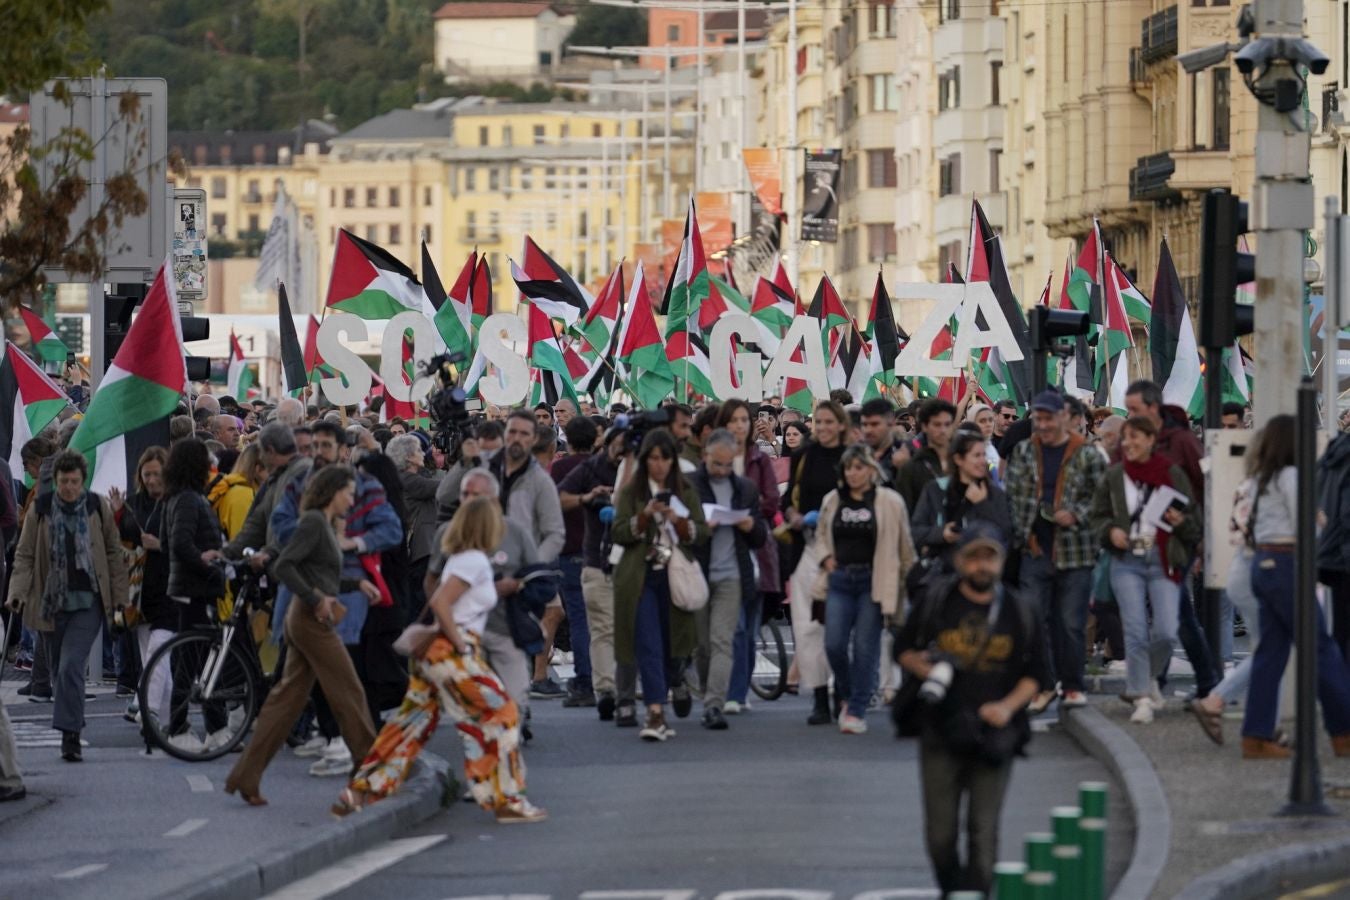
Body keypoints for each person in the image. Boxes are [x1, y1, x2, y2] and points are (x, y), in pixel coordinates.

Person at [335, 496, 546, 824]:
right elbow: (443, 604)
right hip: (452, 650)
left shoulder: (462, 559)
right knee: (502, 712)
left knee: (411, 724)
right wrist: (462, 646)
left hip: (437, 652)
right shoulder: (474, 560)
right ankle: (506, 797)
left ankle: (360, 792)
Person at [897, 523, 1049, 896]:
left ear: (1001, 561)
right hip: (940, 730)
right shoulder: (935, 601)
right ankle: (953, 892)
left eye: (990, 557)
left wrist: (1006, 707)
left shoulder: (1020, 610)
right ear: (960, 560)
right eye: (974, 557)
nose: (982, 565)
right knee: (940, 835)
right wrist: (927, 669)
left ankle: (978, 893)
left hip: (994, 736)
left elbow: (1038, 675)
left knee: (984, 832)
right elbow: (901, 650)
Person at [225, 466, 381, 805]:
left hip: (305, 617)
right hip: (310, 620)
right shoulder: (313, 522)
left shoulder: (321, 523)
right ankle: (372, 771)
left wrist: (356, 585)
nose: (352, 500)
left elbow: (318, 573)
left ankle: (246, 776)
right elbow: (284, 567)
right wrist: (316, 599)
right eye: (349, 493)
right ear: (333, 491)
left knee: (285, 702)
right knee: (349, 691)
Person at [1239, 415, 1350, 759]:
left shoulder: (1261, 477)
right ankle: (1343, 731)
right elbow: (1306, 524)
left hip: (1264, 563)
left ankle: (1255, 735)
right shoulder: (1292, 477)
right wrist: (1317, 519)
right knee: (1322, 649)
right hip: (1288, 563)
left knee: (1271, 653)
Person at [5, 450, 128, 762]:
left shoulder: (95, 506)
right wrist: (17, 592)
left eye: (74, 481)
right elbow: (25, 555)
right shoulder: (41, 508)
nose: (69, 487)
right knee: (60, 672)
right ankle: (72, 720)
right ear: (55, 481)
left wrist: (119, 599)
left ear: (83, 481)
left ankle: (69, 735)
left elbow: (113, 554)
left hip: (88, 600)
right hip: (49, 602)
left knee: (72, 664)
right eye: (63, 481)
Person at [1089, 416, 1201, 724]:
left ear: (1151, 440)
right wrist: (1110, 531)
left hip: (1163, 558)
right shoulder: (1114, 475)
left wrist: (1181, 524)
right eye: (1126, 438)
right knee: (1136, 630)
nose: (1129, 444)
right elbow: (1096, 516)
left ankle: (1149, 677)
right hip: (1126, 561)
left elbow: (1194, 523)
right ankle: (1140, 696)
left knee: (1166, 630)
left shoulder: (1171, 474)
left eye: (1136, 438)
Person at [1005, 390, 1105, 710]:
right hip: (1035, 549)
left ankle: (1073, 685)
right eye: (1039, 419)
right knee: (1034, 621)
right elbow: (1013, 495)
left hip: (1075, 551)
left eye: (1049, 418)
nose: (1044, 425)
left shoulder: (1086, 454)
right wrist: (1020, 533)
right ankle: (1044, 685)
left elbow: (1102, 499)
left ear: (1063, 417)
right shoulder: (1023, 451)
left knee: (1070, 623)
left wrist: (1076, 513)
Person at [611, 429, 709, 741]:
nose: (659, 465)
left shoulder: (685, 489)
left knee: (674, 646)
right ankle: (655, 712)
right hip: (641, 577)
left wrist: (676, 519)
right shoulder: (632, 492)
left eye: (665, 458)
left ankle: (674, 683)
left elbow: (701, 532)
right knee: (647, 643)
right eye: (653, 458)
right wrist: (645, 516)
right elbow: (618, 531)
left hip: (675, 576)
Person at [1124, 380, 1219, 700]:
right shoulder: (1137, 440)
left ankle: (1172, 681)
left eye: (1135, 409)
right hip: (1146, 537)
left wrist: (1204, 533)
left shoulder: (1183, 442)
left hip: (1179, 538)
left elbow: (1209, 483)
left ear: (1154, 408)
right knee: (1172, 613)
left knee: (1175, 611)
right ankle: (1176, 680)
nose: (1130, 416)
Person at [815, 445, 917, 733]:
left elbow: (904, 544)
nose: (853, 473)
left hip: (874, 581)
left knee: (865, 647)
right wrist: (825, 557)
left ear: (871, 470)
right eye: (848, 468)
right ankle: (847, 693)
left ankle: (856, 709)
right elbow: (821, 534)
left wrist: (910, 580)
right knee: (833, 644)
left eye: (858, 467)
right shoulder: (833, 500)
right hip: (840, 579)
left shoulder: (889, 501)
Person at [688, 430, 768, 730]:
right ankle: (710, 689)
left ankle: (714, 704)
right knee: (702, 646)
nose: (721, 470)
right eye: (716, 464)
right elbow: (679, 531)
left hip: (732, 574)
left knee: (723, 640)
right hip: (698, 572)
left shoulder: (745, 488)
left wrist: (749, 525)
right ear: (704, 456)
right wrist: (700, 528)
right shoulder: (689, 486)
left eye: (726, 464)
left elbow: (760, 536)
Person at [558, 424, 631, 721]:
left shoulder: (646, 469)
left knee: (630, 628)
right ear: (605, 443)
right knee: (600, 627)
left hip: (635, 559)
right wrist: (588, 498)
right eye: (618, 446)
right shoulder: (590, 468)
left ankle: (631, 686)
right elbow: (560, 497)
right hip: (594, 558)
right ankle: (606, 689)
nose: (622, 453)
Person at [782, 400, 849, 724]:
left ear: (840, 425)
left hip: (845, 551)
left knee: (839, 626)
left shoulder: (852, 458)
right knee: (807, 627)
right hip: (807, 548)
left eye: (828, 422)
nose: (822, 427)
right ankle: (820, 697)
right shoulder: (802, 457)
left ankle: (843, 693)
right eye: (818, 422)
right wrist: (794, 517)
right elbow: (787, 501)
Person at [713, 399, 780, 712]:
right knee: (733, 626)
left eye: (744, 420)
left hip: (754, 544)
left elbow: (771, 500)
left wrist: (746, 515)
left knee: (748, 627)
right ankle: (730, 690)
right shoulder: (714, 457)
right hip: (721, 545)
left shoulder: (759, 459)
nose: (740, 425)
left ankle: (738, 692)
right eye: (734, 420)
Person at [911, 430, 1012, 578]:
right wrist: (941, 534)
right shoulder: (936, 490)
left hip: (983, 575)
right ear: (958, 459)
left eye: (984, 455)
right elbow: (915, 532)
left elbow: (1006, 532)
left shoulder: (994, 493)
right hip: (944, 574)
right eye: (977, 455)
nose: (983, 461)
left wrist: (983, 504)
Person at [550, 416, 600, 708]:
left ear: (567, 439)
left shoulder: (559, 468)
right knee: (603, 619)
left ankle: (585, 679)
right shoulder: (603, 467)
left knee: (580, 618)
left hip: (570, 550)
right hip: (601, 550)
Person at [388, 434, 442, 613]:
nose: (423, 453)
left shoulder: (403, 478)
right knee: (421, 605)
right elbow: (443, 487)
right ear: (408, 457)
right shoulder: (408, 480)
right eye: (419, 450)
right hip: (420, 551)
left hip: (420, 549)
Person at [895, 399, 956, 512]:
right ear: (924, 426)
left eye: (947, 424)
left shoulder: (962, 461)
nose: (943, 430)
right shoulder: (911, 468)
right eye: (937, 424)